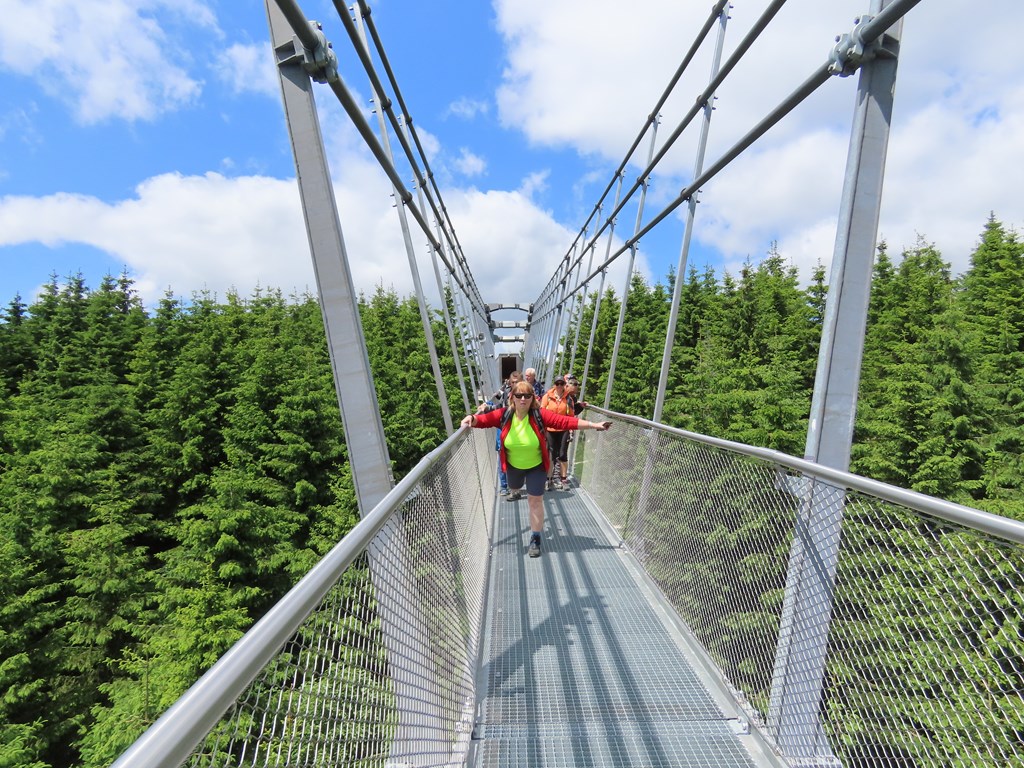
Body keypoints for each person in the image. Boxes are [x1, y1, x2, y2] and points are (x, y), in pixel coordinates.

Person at [462, 381, 611, 558]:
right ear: (512, 397)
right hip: (513, 466)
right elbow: (483, 420)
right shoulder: (504, 414)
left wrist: (594, 425)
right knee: (514, 487)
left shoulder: (539, 415)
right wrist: (471, 418)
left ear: (533, 398)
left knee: (535, 501)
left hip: (536, 466)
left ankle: (535, 538)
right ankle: (516, 489)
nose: (523, 399)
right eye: (519, 395)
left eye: (527, 395)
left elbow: (565, 421)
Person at [479, 371, 522, 494]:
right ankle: (504, 486)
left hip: (518, 430)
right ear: (509, 383)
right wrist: (487, 405)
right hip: (503, 427)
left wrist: (489, 408)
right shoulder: (506, 392)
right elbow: (500, 405)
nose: (515, 384)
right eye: (513, 382)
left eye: (517, 382)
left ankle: (515, 485)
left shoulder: (525, 395)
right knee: (502, 454)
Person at [540, 377, 573, 490]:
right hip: (550, 429)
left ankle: (563, 479)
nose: (559, 386)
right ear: (554, 385)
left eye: (561, 383)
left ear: (564, 385)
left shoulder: (568, 398)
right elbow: (542, 412)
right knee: (551, 454)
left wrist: (571, 429)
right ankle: (548, 479)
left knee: (563, 454)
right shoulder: (547, 397)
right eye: (557, 383)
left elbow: (571, 415)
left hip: (563, 429)